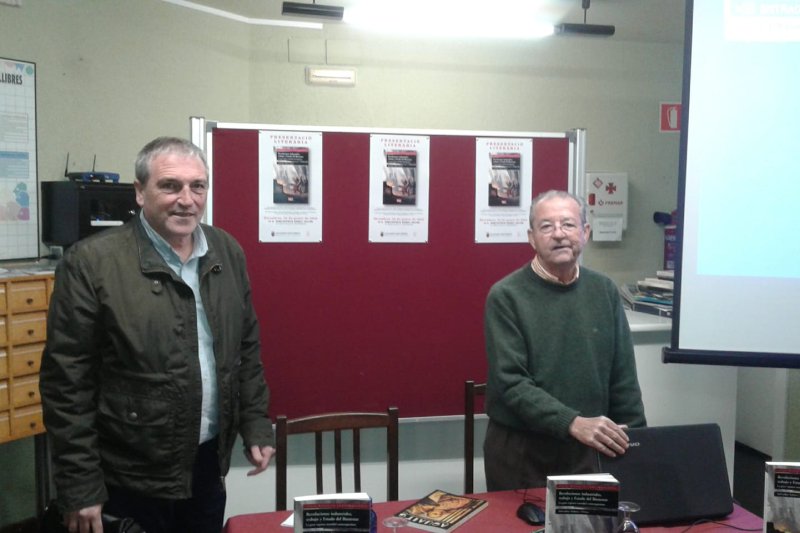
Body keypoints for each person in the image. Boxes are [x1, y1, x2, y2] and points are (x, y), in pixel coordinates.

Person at [40, 137, 275, 533]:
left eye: (197, 186)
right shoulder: (91, 264)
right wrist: (80, 485)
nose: (187, 199)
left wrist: (254, 423)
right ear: (139, 191)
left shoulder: (226, 252)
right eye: (170, 186)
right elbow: (67, 385)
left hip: (204, 465)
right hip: (127, 476)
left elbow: (245, 350)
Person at [483, 189, 646, 490]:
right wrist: (573, 423)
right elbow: (511, 383)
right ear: (532, 238)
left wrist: (636, 439)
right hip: (522, 455)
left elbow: (623, 377)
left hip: (589, 451)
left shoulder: (605, 291)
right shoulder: (506, 296)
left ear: (585, 232)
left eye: (568, 224)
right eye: (547, 226)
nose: (559, 234)